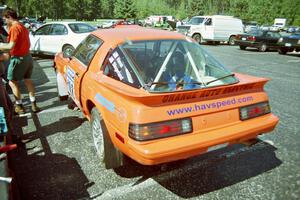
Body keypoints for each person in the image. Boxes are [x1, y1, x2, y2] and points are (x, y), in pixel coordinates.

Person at [0, 7, 40, 114]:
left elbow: (10, 46)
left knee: (12, 82)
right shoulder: (22, 26)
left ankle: (19, 107)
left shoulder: (14, 27)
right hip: (28, 57)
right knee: (28, 80)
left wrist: (0, 46)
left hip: (19, 59)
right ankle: (34, 105)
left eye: (5, 19)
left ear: (9, 17)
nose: (4, 21)